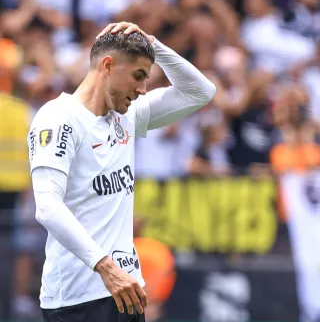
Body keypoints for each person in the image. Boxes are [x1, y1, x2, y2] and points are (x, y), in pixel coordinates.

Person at [27, 21, 216, 322]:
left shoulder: (126, 117)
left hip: (127, 291)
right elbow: (48, 207)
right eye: (138, 77)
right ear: (108, 65)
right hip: (79, 298)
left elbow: (201, 92)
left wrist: (153, 45)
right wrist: (104, 265)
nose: (142, 90)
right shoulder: (59, 118)